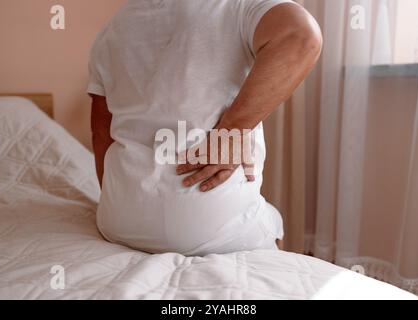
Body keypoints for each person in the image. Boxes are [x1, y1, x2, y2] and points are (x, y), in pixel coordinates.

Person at [88, 0, 322, 256]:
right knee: (274, 224)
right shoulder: (236, 5)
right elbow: (301, 37)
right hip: (211, 225)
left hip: (118, 222)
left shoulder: (113, 28)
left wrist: (122, 203)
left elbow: (101, 133)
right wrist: (234, 127)